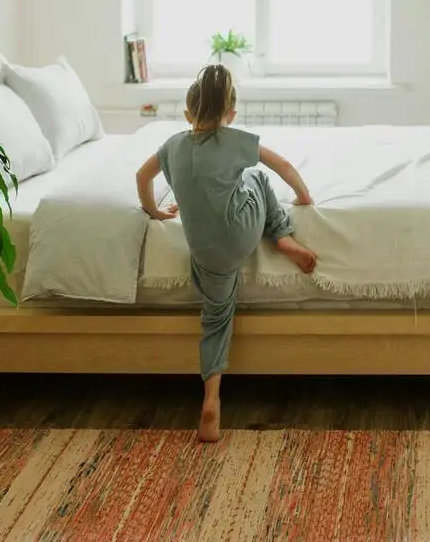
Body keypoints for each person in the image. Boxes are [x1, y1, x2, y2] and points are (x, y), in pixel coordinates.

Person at [135, 64, 317, 442]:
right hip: (242, 234)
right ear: (230, 115)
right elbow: (280, 164)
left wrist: (154, 211)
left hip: (207, 253)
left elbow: (142, 176)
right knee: (258, 176)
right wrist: (304, 197)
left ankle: (211, 400)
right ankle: (281, 235)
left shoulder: (172, 146)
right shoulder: (234, 139)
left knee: (215, 320)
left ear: (188, 114)